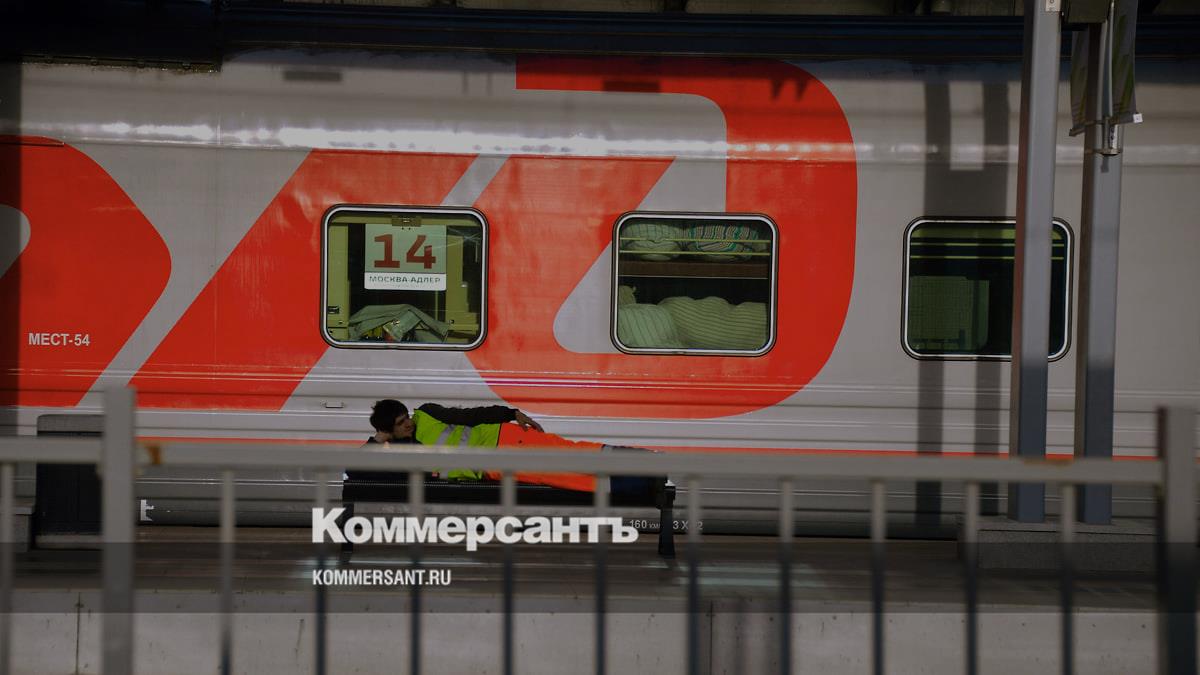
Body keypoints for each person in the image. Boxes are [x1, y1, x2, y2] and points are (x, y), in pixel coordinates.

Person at [365, 398, 659, 495]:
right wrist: (378, 440)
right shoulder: (402, 453)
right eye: (401, 423)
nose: (409, 424)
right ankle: (642, 484)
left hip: (504, 438)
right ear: (388, 431)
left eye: (407, 417)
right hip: (494, 469)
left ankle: (649, 463)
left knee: (574, 454)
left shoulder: (427, 413)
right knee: (567, 478)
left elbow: (471, 415)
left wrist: (510, 413)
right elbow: (358, 469)